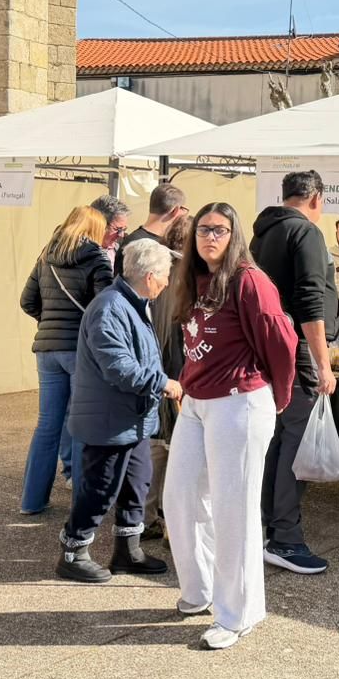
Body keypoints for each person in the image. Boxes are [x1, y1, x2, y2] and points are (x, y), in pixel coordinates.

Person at [165, 202, 298, 649]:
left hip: (239, 402)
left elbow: (282, 340)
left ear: (234, 235)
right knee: (180, 497)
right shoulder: (192, 280)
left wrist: (278, 396)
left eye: (220, 230)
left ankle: (238, 613)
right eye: (203, 230)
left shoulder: (249, 280)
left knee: (233, 508)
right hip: (198, 403)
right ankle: (200, 589)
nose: (210, 238)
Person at [56, 239, 182, 583]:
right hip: (109, 422)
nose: (169, 282)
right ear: (150, 276)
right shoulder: (111, 308)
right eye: (166, 275)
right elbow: (118, 368)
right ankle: (73, 552)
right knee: (99, 489)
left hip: (131, 421)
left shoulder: (134, 303)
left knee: (136, 485)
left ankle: (127, 551)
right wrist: (163, 382)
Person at [250, 170, 339, 574]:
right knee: (296, 445)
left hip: (271, 350)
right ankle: (285, 538)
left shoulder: (263, 233)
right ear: (316, 198)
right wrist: (323, 363)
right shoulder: (305, 234)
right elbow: (309, 300)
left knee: (279, 441)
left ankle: (267, 529)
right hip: (298, 351)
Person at [18, 206, 113, 514]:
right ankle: (81, 505)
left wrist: (48, 324)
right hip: (79, 351)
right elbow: (104, 308)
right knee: (81, 425)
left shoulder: (46, 254)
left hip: (46, 350)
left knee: (47, 425)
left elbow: (27, 301)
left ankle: (32, 501)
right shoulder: (97, 258)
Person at [145, 213, 193, 539]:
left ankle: (143, 517)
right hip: (176, 375)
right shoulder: (186, 278)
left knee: (154, 449)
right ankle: (167, 522)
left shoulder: (153, 270)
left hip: (153, 372)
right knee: (175, 451)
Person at [115, 182, 187, 276]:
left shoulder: (132, 241)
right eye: (183, 209)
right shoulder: (138, 245)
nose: (185, 213)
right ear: (175, 210)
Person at [91, 193, 132, 260]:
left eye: (124, 229)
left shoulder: (119, 250)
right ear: (99, 224)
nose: (121, 235)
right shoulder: (80, 255)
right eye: (118, 229)